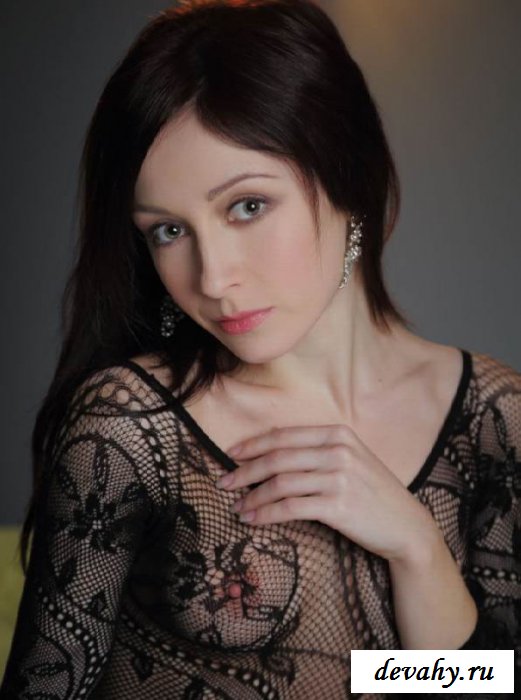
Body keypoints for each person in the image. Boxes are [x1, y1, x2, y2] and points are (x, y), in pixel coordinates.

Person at [1, 0, 519, 698]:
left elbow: (451, 687)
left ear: (349, 179)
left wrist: (417, 550)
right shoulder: (129, 426)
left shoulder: (494, 416)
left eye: (247, 206)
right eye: (167, 231)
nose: (213, 279)